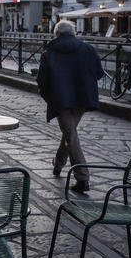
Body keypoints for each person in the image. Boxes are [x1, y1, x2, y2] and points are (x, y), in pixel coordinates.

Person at [36, 20, 104, 193]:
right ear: (74, 33)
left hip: (61, 99)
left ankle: (82, 178)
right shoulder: (88, 49)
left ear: (56, 34)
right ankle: (58, 164)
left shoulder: (49, 52)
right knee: (69, 132)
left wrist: (49, 96)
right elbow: (98, 73)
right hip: (82, 98)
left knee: (70, 135)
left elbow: (42, 81)